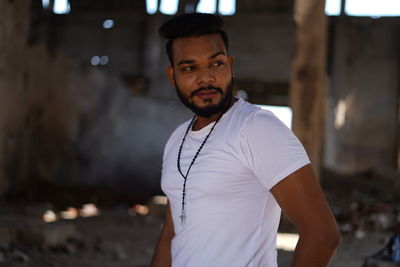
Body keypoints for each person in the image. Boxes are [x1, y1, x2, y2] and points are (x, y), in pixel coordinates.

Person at [151, 13, 340, 267]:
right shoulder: (177, 139)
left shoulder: (256, 128)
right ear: (172, 76)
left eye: (216, 64)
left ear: (230, 65)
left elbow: (322, 235)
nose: (206, 77)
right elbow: (171, 236)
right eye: (189, 68)